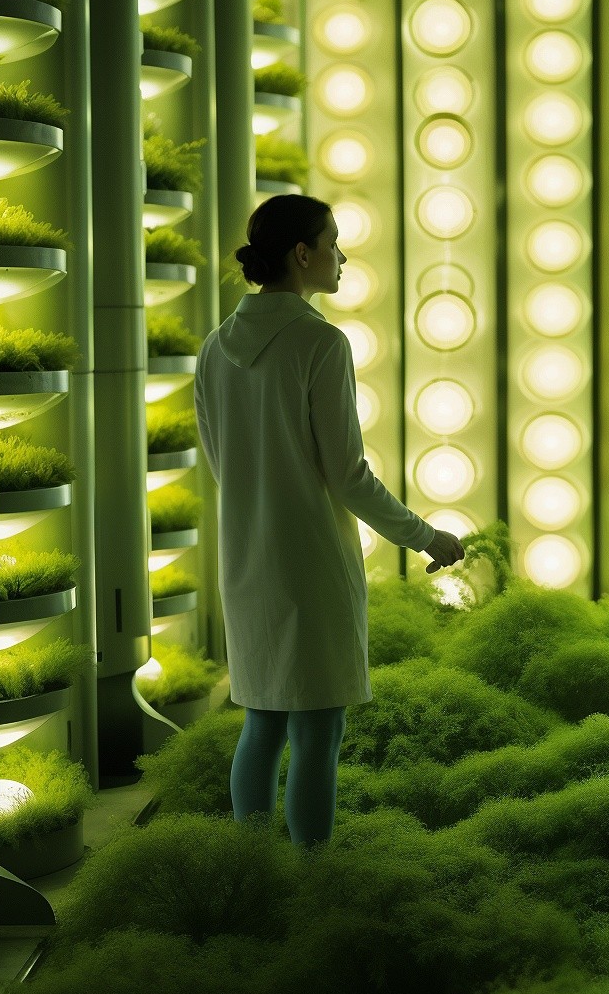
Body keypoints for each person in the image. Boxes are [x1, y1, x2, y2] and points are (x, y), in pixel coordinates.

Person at [195, 194, 464, 843]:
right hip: (311, 561)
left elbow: (219, 460)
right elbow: (348, 476)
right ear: (302, 254)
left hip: (246, 559)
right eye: (334, 242)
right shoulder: (319, 342)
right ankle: (313, 879)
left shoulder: (214, 349)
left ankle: (250, 872)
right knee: (319, 729)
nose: (342, 257)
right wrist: (427, 535)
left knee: (261, 726)